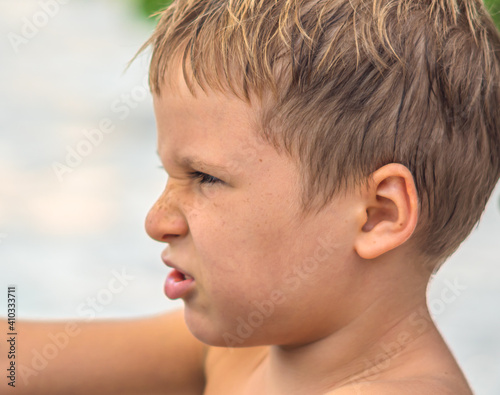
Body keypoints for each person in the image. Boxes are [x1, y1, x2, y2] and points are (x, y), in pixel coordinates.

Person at [7, 0, 500, 393]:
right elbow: (16, 361)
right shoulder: (244, 349)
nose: (157, 220)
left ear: (377, 216)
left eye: (204, 177)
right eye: (167, 172)